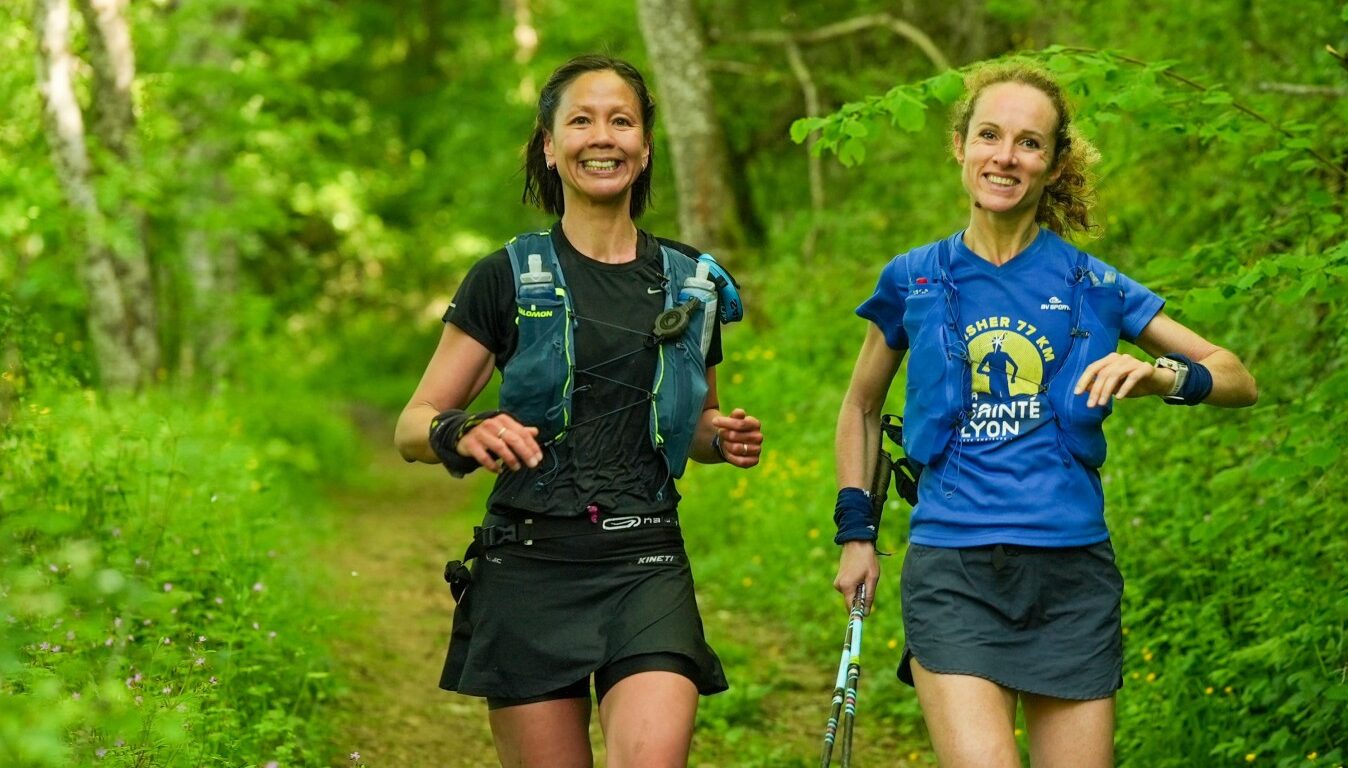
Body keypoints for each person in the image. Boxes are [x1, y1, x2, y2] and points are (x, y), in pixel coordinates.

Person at [831, 62, 1258, 767]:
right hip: (955, 570)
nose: (1005, 156)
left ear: (1055, 165)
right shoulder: (914, 277)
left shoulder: (1093, 282)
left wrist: (1158, 377)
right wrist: (856, 532)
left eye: (1029, 143)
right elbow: (862, 405)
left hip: (1072, 578)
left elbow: (1238, 377)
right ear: (961, 146)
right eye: (989, 135)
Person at [395, 54, 763, 768]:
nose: (604, 137)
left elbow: (693, 426)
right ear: (549, 145)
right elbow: (414, 424)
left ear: (645, 146)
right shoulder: (504, 276)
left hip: (645, 556)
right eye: (582, 120)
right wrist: (463, 430)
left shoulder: (692, 283)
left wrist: (721, 437)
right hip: (529, 564)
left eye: (622, 120)